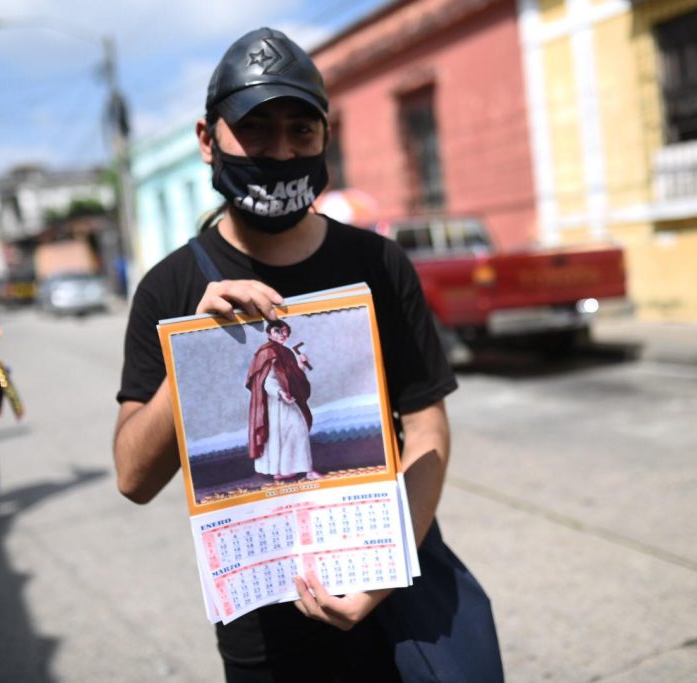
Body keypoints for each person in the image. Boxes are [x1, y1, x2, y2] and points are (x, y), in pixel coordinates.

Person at [114, 27, 502, 682]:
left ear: (327, 136)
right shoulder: (170, 288)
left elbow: (426, 424)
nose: (281, 150)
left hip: (388, 608)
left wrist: (387, 563)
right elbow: (134, 477)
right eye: (256, 130)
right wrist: (199, 355)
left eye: (302, 130)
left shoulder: (377, 262)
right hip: (263, 634)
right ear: (207, 140)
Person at [246, 319, 319, 482]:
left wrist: (300, 364)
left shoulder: (286, 352)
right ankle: (292, 471)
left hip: (287, 398)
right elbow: (266, 381)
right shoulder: (266, 352)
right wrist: (280, 392)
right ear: (269, 334)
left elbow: (294, 378)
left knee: (295, 431)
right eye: (278, 331)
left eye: (286, 331)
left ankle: (293, 470)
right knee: (279, 435)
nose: (283, 334)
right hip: (274, 403)